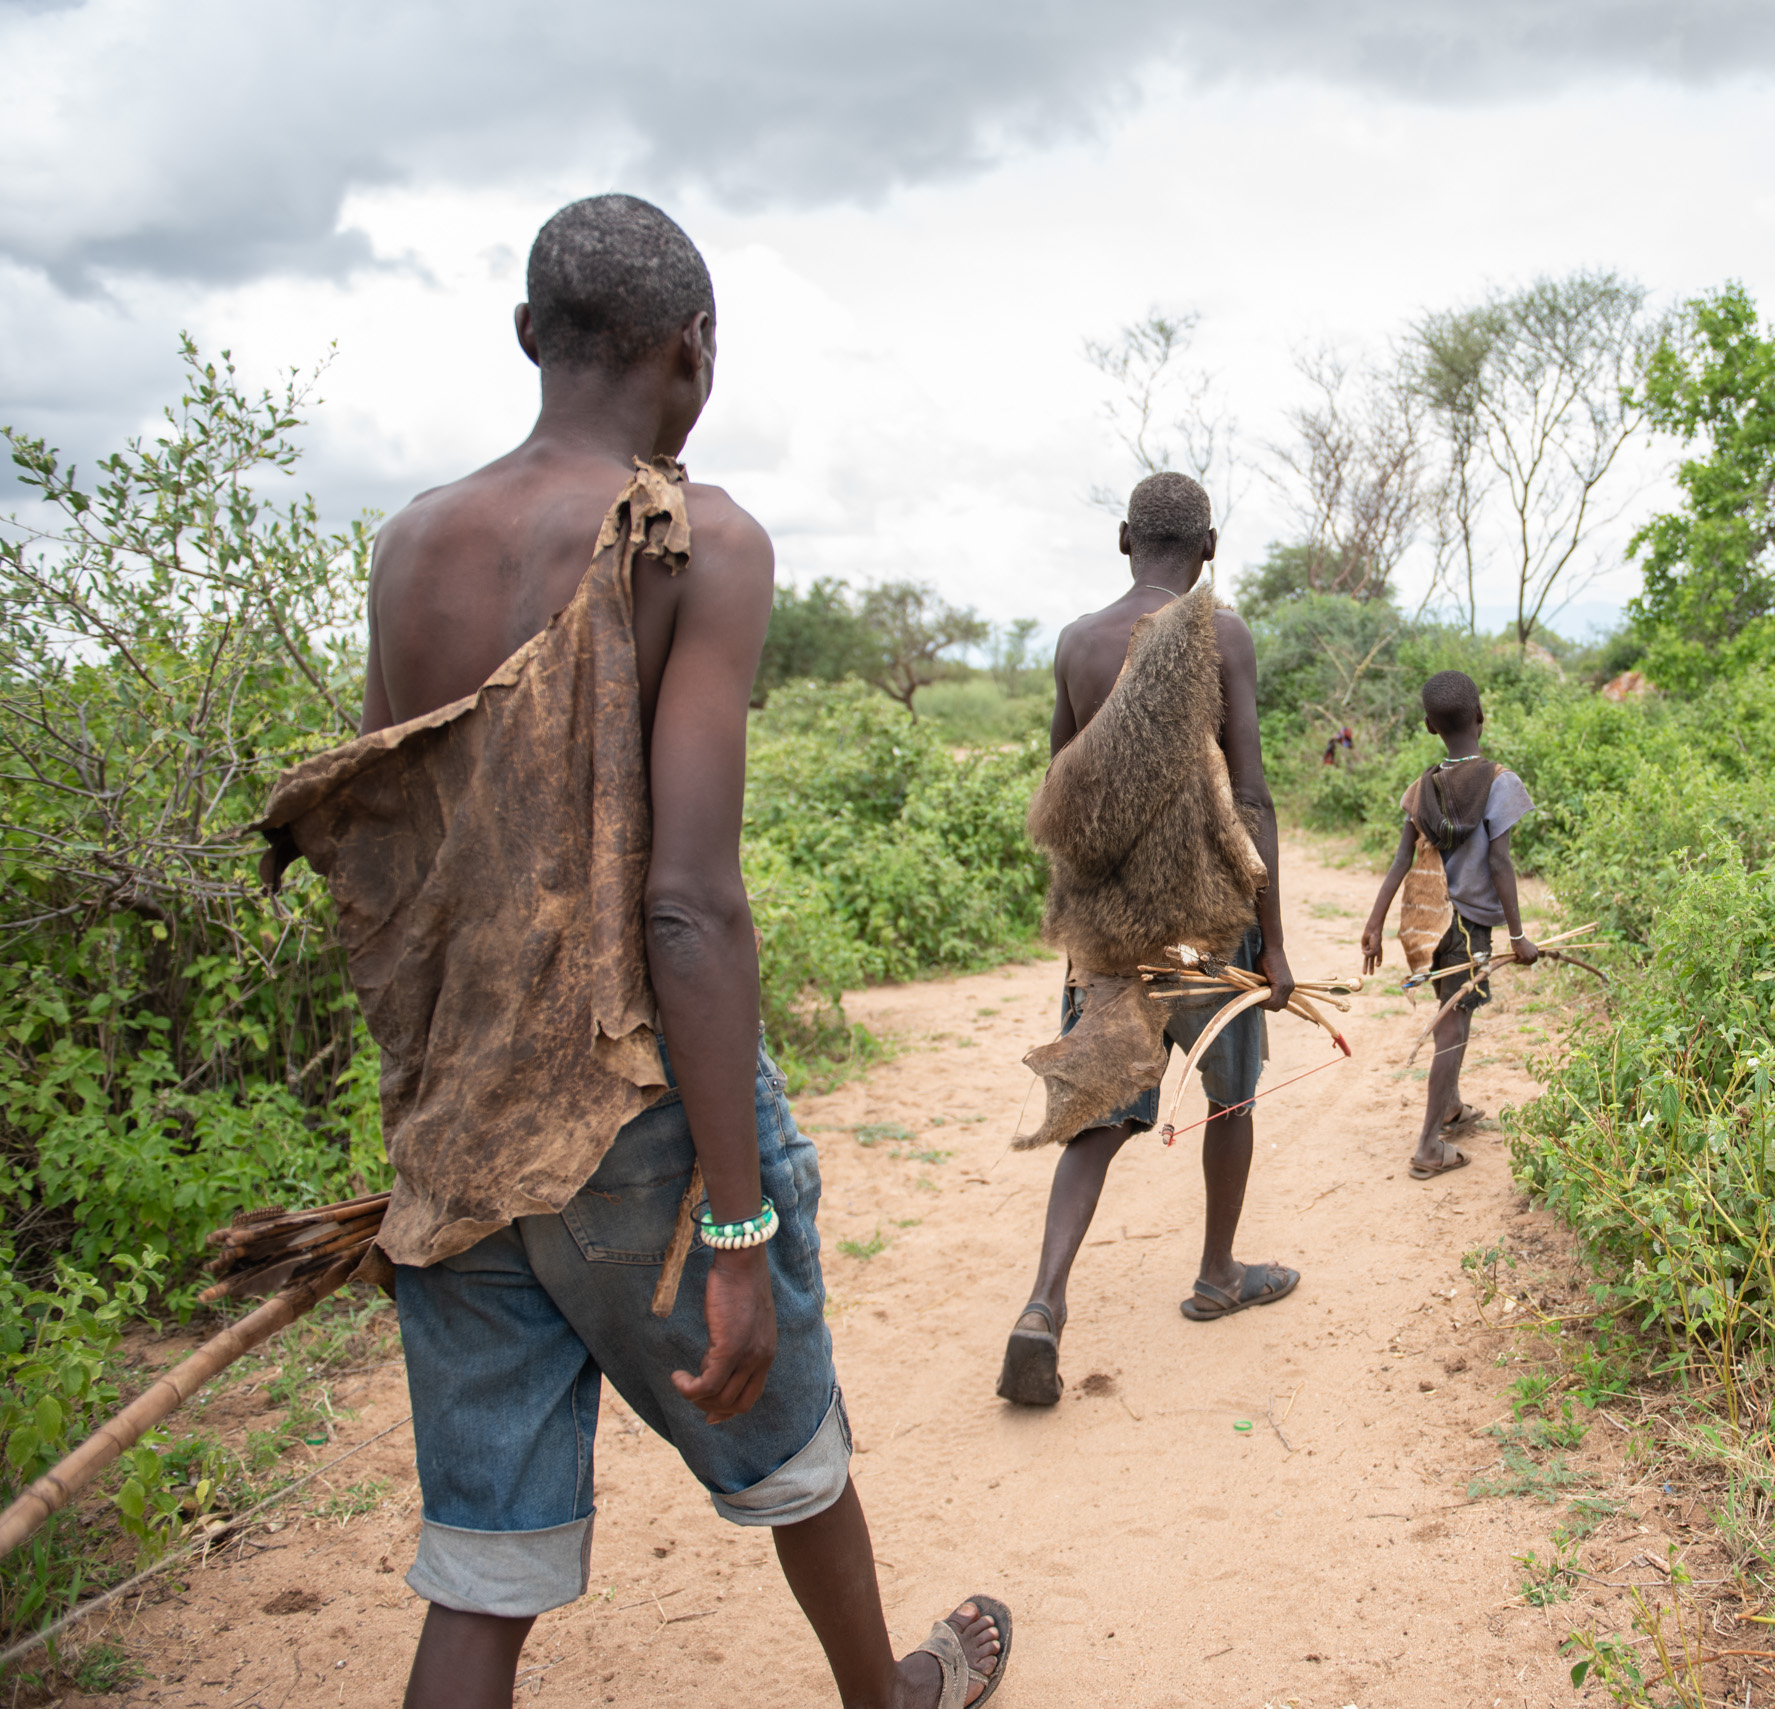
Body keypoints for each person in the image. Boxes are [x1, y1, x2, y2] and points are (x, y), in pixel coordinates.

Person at [260, 196, 1006, 1709]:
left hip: (457, 1136)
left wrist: (434, 1134)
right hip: (641, 1129)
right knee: (796, 1459)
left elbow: (396, 869)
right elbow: (685, 905)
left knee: (482, 1569)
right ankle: (891, 1698)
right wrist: (733, 1231)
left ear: (533, 339)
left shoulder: (411, 546)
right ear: (697, 352)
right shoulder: (697, 541)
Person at [997, 473, 1300, 1408]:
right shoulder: (1224, 633)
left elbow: (1062, 793)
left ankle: (1044, 1303)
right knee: (1230, 1101)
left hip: (1108, 934)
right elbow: (1249, 797)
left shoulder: (1076, 645)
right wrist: (1275, 943)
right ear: (1208, 547)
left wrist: (1087, 927)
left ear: (1124, 539)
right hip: (1212, 929)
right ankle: (1217, 1274)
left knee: (1095, 1115)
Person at [1358, 671, 1536, 1180]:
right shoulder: (1499, 782)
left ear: (1430, 726)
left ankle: (1452, 1108)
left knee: (1454, 1009)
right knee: (1453, 1027)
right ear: (1480, 716)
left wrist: (1375, 923)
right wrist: (1519, 936)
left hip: (1427, 924)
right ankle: (1428, 1146)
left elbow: (1400, 863)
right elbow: (1500, 864)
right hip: (1465, 930)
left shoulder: (1422, 789)